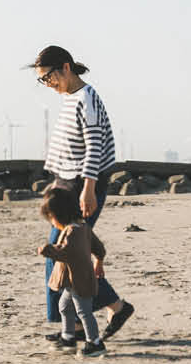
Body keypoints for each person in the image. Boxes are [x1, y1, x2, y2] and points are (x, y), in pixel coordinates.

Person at [33, 44, 134, 340]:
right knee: (64, 255)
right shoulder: (70, 97)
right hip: (66, 183)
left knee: (67, 253)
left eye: (49, 76)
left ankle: (110, 309)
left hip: (82, 184)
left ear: (65, 67)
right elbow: (67, 147)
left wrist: (88, 189)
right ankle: (85, 321)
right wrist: (54, 182)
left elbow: (94, 147)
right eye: (42, 80)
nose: (48, 84)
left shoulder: (86, 98)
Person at [38, 185, 108, 356]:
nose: (52, 223)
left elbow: (68, 252)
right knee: (64, 306)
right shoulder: (82, 227)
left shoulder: (73, 232)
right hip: (74, 281)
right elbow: (99, 248)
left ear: (58, 215)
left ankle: (95, 343)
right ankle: (68, 337)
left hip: (80, 281)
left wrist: (48, 250)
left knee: (84, 312)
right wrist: (99, 261)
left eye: (51, 219)